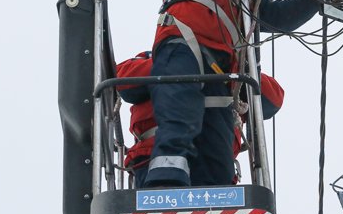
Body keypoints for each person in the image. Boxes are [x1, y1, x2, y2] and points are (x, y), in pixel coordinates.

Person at [141, 0, 343, 188]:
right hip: (183, 46)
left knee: (218, 149)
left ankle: (217, 208)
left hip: (224, 71)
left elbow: (282, 17)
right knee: (179, 114)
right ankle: (164, 183)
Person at [115, 51, 284, 185]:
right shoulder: (157, 56)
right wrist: (182, 58)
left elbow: (272, 100)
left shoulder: (232, 63)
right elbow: (123, 81)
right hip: (157, 155)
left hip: (216, 159)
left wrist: (236, 65)